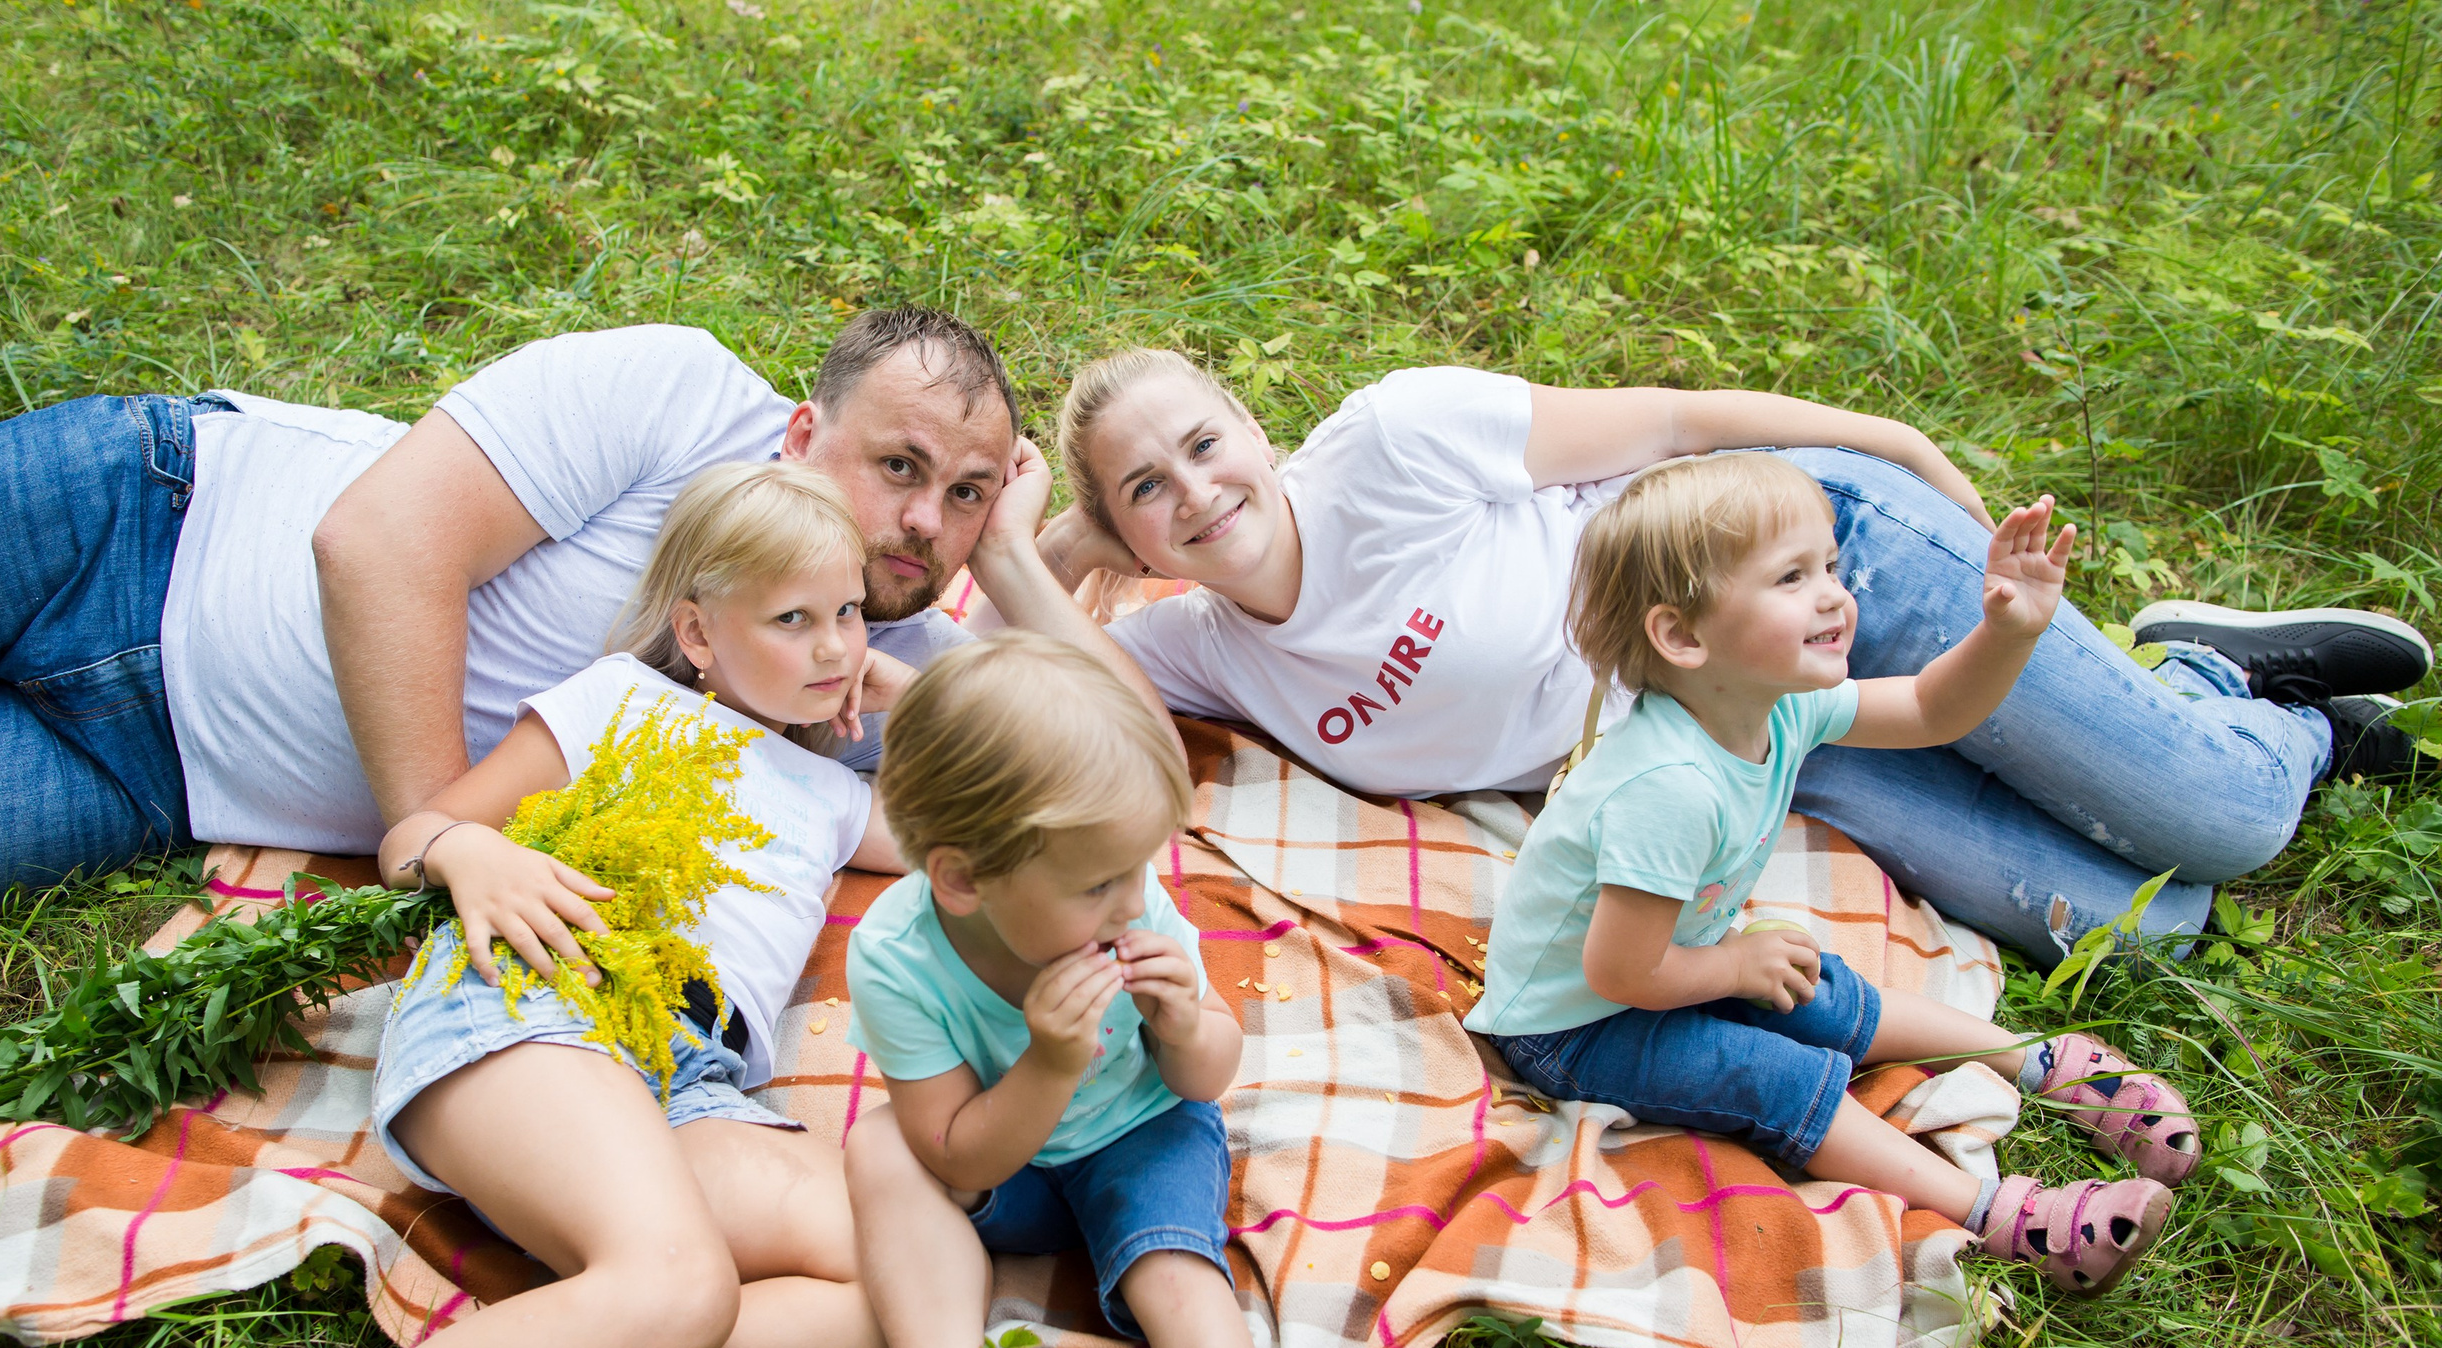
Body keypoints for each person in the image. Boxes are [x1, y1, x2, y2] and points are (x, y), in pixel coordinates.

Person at [3, 464, 913, 1348]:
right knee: (676, 1287)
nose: (831, 647)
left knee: (897, 1281)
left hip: (682, 1073)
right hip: (540, 991)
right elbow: (417, 835)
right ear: (699, 631)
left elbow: (1005, 818)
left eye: (850, 615)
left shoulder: (831, 791)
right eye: (792, 619)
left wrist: (902, 691)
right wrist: (473, 852)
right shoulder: (619, 703)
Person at [1041, 350, 2433, 965]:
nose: (1198, 491)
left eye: (1204, 442)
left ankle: (2232, 695)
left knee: (2229, 826)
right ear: (1126, 543)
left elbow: (1681, 420)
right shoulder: (1199, 652)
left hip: (1827, 568)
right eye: (1146, 490)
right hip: (1746, 731)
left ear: (1255, 424)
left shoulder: (1397, 443)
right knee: (2140, 930)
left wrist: (1897, 455)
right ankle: (2179, 696)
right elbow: (1003, 672)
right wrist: (1057, 556)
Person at [0, 306, 1114, 935]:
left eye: (961, 495)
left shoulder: (864, 658)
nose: (920, 524)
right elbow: (375, 541)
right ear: (802, 433)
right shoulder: (676, 395)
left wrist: (1004, 555)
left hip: (144, 771)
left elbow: (1102, 760)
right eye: (897, 467)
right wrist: (436, 837)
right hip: (137, 520)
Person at [1469, 454, 2191, 1296]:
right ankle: (2004, 1216)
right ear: (1685, 637)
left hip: (1671, 961)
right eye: (1791, 577)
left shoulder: (1776, 705)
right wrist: (1735, 965)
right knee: (1774, 1076)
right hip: (1573, 1026)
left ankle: (2035, 1061)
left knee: (1824, 993)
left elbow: (1930, 709)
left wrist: (2010, 632)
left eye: (1831, 568)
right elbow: (1618, 972)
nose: (1835, 597)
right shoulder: (1664, 788)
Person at [840, 631, 1333, 1348]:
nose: (1132, 901)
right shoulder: (894, 956)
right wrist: (1050, 1064)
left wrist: (1183, 1022)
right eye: (1099, 885)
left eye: (1137, 871)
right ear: (965, 880)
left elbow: (1207, 1076)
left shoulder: (1132, 897)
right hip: (1001, 1159)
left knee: (1173, 1272)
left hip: (1141, 1129)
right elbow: (958, 1158)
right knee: (883, 1145)